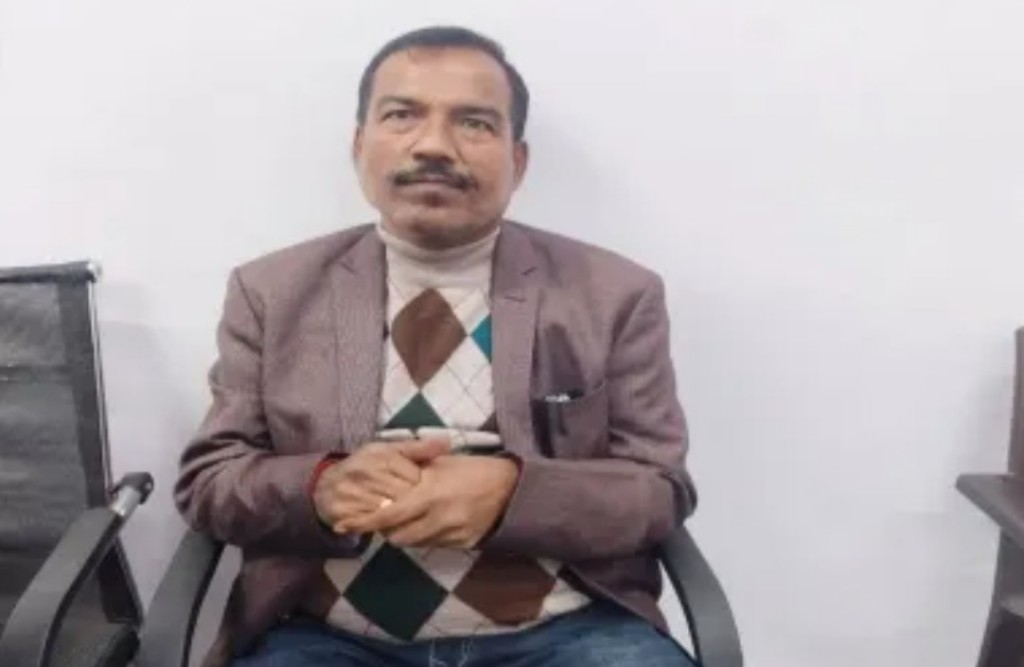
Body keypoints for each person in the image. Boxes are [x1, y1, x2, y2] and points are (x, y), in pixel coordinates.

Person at [175, 25, 697, 667]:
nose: (433, 145)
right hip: (330, 637)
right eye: (402, 115)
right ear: (360, 145)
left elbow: (658, 489)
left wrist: (512, 492)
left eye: (474, 123)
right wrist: (319, 487)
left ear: (518, 161)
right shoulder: (270, 292)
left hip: (568, 632)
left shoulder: (615, 293)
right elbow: (210, 481)